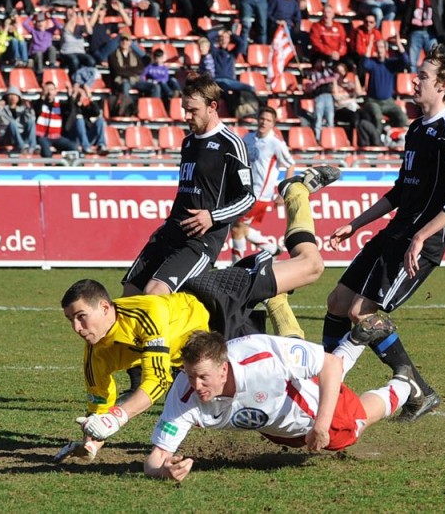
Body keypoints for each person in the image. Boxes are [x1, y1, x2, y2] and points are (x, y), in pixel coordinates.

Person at [55, 162, 341, 461]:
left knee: (311, 266)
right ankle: (276, 300)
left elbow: (155, 382)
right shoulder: (94, 356)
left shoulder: (145, 311)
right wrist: (90, 443)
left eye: (81, 317)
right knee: (282, 379)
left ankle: (295, 192)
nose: (77, 328)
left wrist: (116, 418)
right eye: (70, 320)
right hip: (213, 342)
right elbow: (100, 406)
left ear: (104, 307)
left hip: (215, 297)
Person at [320, 45, 445, 423]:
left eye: (422, 76)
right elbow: (401, 191)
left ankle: (329, 385)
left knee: (362, 312)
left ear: (443, 86)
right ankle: (413, 390)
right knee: (338, 301)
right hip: (397, 230)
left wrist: (422, 236)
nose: (414, 80)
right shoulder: (417, 128)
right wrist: (355, 224)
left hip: (421, 241)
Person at [143, 330, 418, 480]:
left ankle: (404, 386)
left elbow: (329, 365)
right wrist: (163, 471)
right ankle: (354, 340)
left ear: (224, 370)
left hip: (304, 406)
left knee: (350, 427)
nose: (195, 385)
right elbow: (154, 460)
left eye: (203, 377)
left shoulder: (261, 356)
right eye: (190, 375)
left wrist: (321, 425)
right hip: (275, 424)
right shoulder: (183, 394)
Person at [122, 73, 256, 297]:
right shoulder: (188, 142)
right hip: (170, 232)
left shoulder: (231, 144)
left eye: (192, 110)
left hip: (199, 241)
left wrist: (212, 217)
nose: (186, 116)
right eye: (184, 109)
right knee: (130, 293)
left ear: (212, 107)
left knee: (154, 293)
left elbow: (248, 197)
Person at [231, 105, 295, 263]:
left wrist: (282, 193)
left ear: (273, 124)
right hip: (244, 192)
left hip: (260, 195)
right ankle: (271, 249)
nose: (264, 122)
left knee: (237, 228)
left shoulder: (276, 144)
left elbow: (290, 165)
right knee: (239, 227)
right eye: (262, 119)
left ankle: (235, 265)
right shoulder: (248, 138)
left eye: (268, 120)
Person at [361, 38, 408, 144]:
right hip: (373, 101)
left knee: (402, 117)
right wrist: (369, 47)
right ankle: (378, 142)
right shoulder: (372, 62)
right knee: (377, 116)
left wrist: (399, 44)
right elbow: (364, 64)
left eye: (382, 47)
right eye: (377, 47)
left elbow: (405, 60)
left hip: (388, 101)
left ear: (386, 49)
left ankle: (392, 135)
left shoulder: (390, 64)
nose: (379, 50)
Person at [399, 0, 444, 73]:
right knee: (412, 62)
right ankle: (414, 83)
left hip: (430, 32)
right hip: (415, 32)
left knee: (435, 60)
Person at [0, 85, 37, 153]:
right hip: (5, 136)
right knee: (12, 123)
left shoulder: (23, 109)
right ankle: (22, 147)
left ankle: (33, 147)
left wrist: (28, 109)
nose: (13, 97)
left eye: (15, 95)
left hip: (20, 135)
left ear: (19, 97)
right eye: (10, 95)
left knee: (31, 121)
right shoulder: (0, 108)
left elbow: (32, 118)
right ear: (6, 97)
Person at [23, 11, 61, 76]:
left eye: (42, 22)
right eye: (38, 22)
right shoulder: (34, 31)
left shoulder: (49, 31)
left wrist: (51, 17)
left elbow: (58, 25)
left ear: (45, 23)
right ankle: (40, 73)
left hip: (46, 53)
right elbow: (25, 24)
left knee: (52, 48)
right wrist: (32, 16)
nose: (40, 24)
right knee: (39, 54)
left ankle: (52, 65)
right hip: (37, 54)